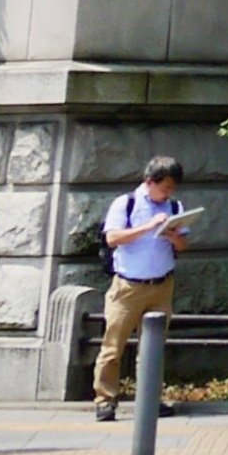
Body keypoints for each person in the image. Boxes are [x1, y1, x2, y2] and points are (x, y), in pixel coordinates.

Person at [93, 158, 198, 424]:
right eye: (165, 188)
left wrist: (174, 236)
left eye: (172, 188)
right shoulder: (126, 203)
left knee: (153, 348)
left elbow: (184, 246)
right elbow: (112, 238)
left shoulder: (174, 207)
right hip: (128, 287)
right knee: (113, 346)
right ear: (149, 182)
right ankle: (105, 400)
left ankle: (150, 399)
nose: (168, 193)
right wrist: (148, 227)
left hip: (161, 285)